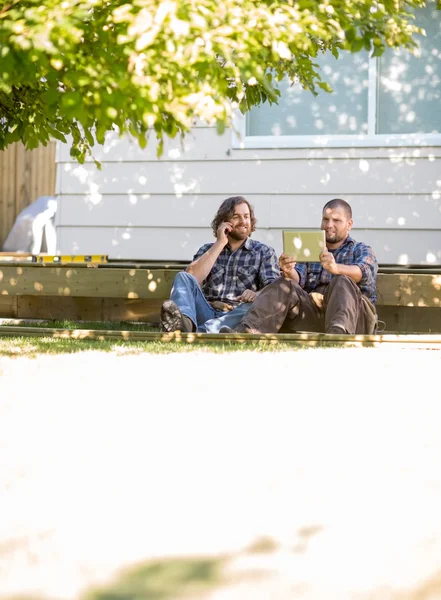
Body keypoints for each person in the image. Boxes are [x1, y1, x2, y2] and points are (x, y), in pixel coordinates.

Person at [221, 198, 378, 335]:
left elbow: (362, 273)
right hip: (316, 317)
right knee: (283, 283)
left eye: (336, 220)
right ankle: (246, 332)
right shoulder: (309, 248)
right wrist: (289, 271)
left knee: (342, 280)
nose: (329, 225)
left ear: (349, 224)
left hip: (354, 320)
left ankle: (338, 336)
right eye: (325, 219)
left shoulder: (361, 249)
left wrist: (336, 268)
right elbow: (297, 280)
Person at [160, 196, 280, 333]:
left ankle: (197, 332)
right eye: (236, 217)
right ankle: (185, 324)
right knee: (183, 276)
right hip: (207, 311)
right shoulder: (208, 250)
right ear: (224, 222)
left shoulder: (264, 252)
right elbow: (191, 278)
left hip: (238, 314)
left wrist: (256, 294)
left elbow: (274, 290)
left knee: (253, 307)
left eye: (246, 217)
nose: (243, 221)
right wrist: (220, 243)